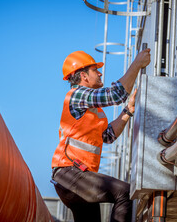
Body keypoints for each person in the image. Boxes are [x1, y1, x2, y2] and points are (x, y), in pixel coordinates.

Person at [51, 48, 151, 222]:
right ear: (83, 76)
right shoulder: (78, 95)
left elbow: (108, 136)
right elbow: (116, 94)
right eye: (95, 70)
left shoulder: (90, 108)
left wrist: (128, 111)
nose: (100, 73)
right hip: (71, 174)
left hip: (74, 178)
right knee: (125, 193)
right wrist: (137, 63)